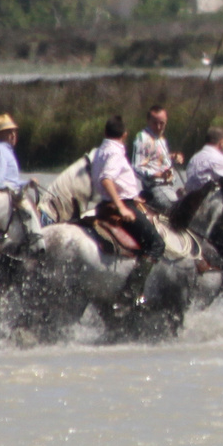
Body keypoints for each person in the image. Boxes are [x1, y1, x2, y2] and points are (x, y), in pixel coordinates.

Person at [89, 115, 164, 305]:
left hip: (112, 202)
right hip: (120, 204)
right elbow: (107, 179)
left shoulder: (100, 150)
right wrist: (122, 206)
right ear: (125, 135)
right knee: (157, 244)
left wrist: (131, 194)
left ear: (106, 133)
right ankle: (129, 294)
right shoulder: (115, 152)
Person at [132, 106, 182, 214]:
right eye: (155, 123)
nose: (159, 127)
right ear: (148, 121)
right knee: (179, 211)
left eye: (162, 123)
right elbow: (136, 167)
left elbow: (156, 158)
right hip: (156, 189)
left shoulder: (161, 138)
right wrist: (158, 174)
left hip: (170, 187)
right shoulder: (143, 138)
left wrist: (173, 157)